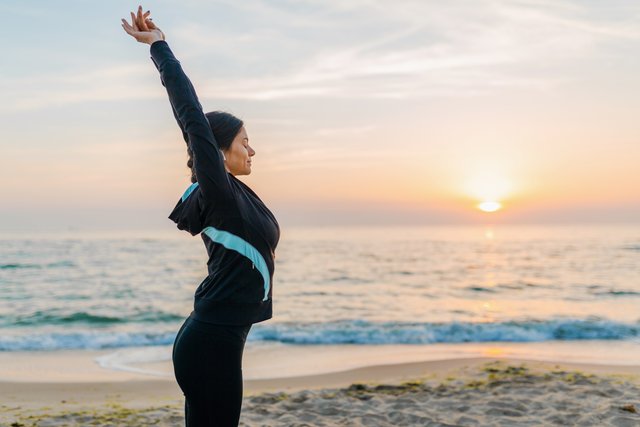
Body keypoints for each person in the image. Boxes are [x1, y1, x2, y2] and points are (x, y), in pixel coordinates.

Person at [121, 6, 280, 426]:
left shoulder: (237, 194)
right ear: (219, 149)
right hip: (210, 341)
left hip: (221, 337)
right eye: (246, 141)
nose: (253, 150)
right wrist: (159, 47)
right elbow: (191, 115)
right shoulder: (219, 192)